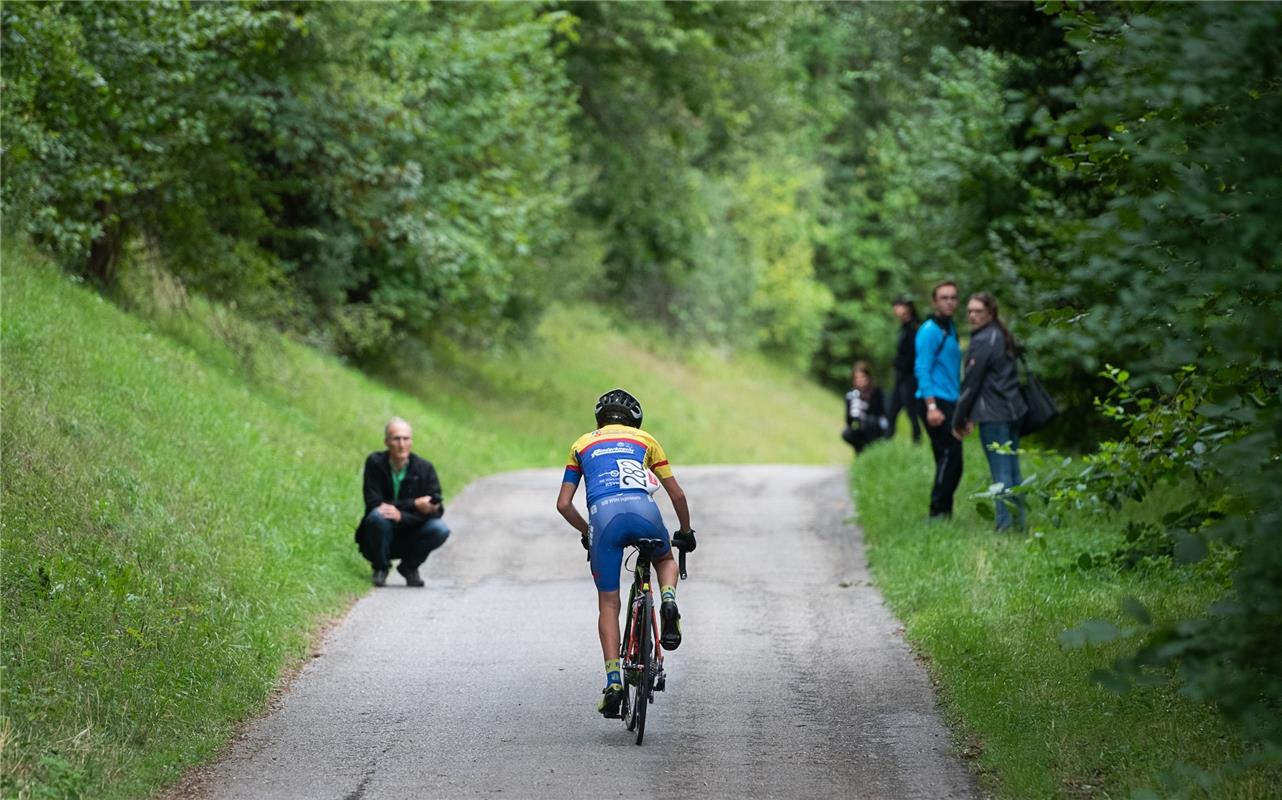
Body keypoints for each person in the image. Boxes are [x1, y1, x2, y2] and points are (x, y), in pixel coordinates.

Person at [555, 389, 695, 718]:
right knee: (664, 559)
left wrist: (586, 530)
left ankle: (614, 681)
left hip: (604, 519)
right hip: (644, 512)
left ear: (599, 420)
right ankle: (669, 599)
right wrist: (685, 532)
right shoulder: (646, 440)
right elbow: (677, 494)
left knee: (609, 603)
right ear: (635, 419)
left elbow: (563, 504)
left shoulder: (581, 444)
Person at [952, 292, 1028, 532]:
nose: (972, 316)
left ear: (990, 313)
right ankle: (1019, 524)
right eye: (970, 311)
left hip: (995, 415)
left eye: (978, 311)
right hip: (1013, 410)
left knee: (1002, 472)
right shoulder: (1001, 335)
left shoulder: (984, 339)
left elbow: (971, 384)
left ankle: (1004, 526)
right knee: (1013, 470)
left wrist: (958, 419)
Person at [354, 417, 451, 587]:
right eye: (396, 438)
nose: (401, 444)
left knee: (440, 528)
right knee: (378, 515)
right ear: (386, 442)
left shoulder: (425, 468)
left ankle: (409, 567)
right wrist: (414, 505)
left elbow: (437, 511)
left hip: (411, 532)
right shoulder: (375, 463)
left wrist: (403, 516)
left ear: (411, 441)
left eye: (406, 438)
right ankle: (381, 568)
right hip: (379, 535)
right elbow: (373, 502)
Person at [915, 280, 963, 520]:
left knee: (947, 458)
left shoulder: (950, 327)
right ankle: (937, 513)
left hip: (951, 399)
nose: (949, 301)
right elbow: (922, 368)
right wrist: (931, 406)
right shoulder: (929, 330)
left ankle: (944, 512)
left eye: (953, 297)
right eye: (944, 297)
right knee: (950, 457)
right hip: (935, 401)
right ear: (934, 301)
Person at [887, 297, 923, 444]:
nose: (895, 310)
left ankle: (917, 439)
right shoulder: (903, 328)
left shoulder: (913, 328)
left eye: (898, 306)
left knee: (911, 411)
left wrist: (899, 363)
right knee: (892, 409)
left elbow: (913, 354)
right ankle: (886, 440)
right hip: (901, 377)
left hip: (909, 377)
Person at [842, 361, 889, 454]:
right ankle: (860, 453)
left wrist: (864, 406)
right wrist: (853, 409)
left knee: (870, 423)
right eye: (857, 378)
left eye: (862, 377)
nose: (860, 380)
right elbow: (848, 421)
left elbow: (881, 412)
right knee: (848, 433)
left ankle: (872, 452)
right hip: (860, 426)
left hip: (875, 426)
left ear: (868, 378)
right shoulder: (851, 395)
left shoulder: (876, 392)